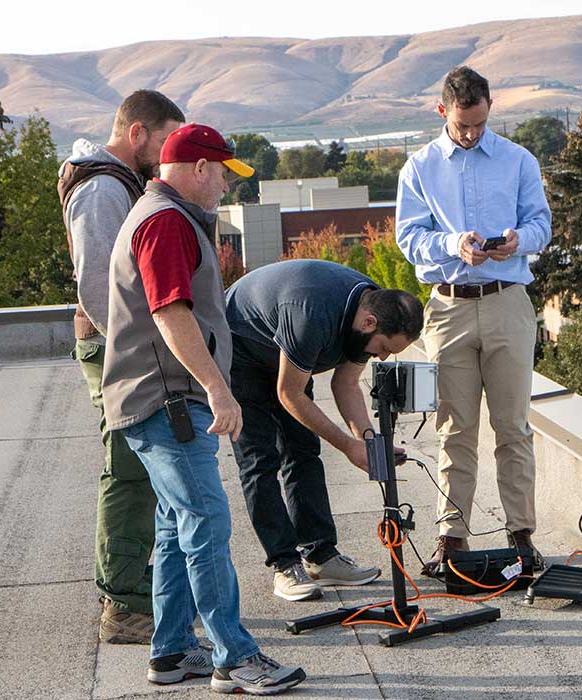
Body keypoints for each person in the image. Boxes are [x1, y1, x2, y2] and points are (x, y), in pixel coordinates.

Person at [103, 123, 304, 694]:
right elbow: (170, 313)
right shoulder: (167, 222)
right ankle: (235, 658)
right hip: (169, 402)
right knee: (207, 523)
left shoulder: (160, 214)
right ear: (196, 168)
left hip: (152, 398)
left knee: (175, 526)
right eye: (221, 173)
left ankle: (171, 654)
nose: (224, 186)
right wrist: (218, 387)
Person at [394, 66, 552, 575]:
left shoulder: (518, 160)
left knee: (513, 427)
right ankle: (452, 538)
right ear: (443, 112)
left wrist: (517, 242)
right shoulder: (417, 169)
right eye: (464, 125)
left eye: (480, 124)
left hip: (508, 300)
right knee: (453, 429)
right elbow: (409, 237)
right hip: (448, 306)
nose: (472, 134)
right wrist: (452, 243)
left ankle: (522, 535)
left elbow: (542, 225)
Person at [58, 89, 183, 644]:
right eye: (161, 140)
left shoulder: (113, 181)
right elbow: (98, 284)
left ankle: (133, 589)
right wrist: (136, 350)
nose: (165, 152)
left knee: (138, 471)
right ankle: (125, 607)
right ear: (136, 133)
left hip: (122, 346)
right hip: (115, 348)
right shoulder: (103, 187)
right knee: (129, 470)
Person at [224, 260, 424, 602]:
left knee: (303, 450)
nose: (382, 357)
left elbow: (346, 383)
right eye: (385, 348)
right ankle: (285, 564)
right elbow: (290, 394)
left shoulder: (370, 307)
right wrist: (347, 446)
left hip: (286, 349)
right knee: (260, 460)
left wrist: (368, 443)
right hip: (240, 345)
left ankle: (320, 556)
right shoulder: (310, 314)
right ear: (369, 323)